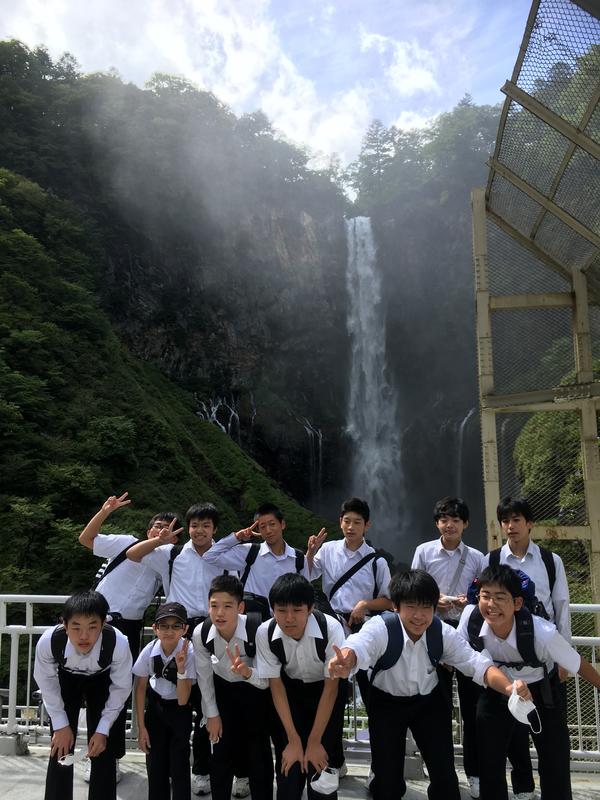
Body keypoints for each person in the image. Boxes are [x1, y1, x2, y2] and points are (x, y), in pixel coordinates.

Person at [328, 569, 530, 800]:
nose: (419, 615)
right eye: (411, 606)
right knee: (387, 784)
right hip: (386, 705)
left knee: (445, 780)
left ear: (435, 608)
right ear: (396, 606)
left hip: (428, 704)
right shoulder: (381, 628)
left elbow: (477, 664)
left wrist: (509, 688)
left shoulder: (441, 632)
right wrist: (347, 658)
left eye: (426, 607)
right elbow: (359, 644)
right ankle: (380, 779)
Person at [457, 563, 600, 800]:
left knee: (554, 757)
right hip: (497, 689)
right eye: (485, 596)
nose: (491, 605)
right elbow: (458, 652)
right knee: (489, 757)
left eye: (500, 597)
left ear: (517, 603)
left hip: (541, 690)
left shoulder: (541, 632)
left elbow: (578, 664)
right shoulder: (470, 620)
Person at [79, 493, 182, 782]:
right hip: (99, 622)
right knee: (95, 689)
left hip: (130, 628)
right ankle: (95, 756)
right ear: (148, 529)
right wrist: (104, 511)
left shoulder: (169, 561)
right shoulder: (126, 542)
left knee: (120, 691)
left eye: (168, 528)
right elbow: (86, 540)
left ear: (176, 537)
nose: (161, 531)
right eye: (157, 526)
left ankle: (111, 757)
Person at [126, 502, 226, 796]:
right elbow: (133, 554)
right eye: (194, 525)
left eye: (206, 525)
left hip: (209, 630)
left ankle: (202, 770)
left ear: (215, 529)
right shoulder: (172, 553)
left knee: (208, 700)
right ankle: (170, 768)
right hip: (177, 630)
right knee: (177, 700)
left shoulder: (224, 555)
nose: (199, 530)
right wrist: (159, 540)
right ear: (188, 528)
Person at [482, 496, 572, 800]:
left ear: (530, 523)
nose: (510, 526)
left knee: (554, 750)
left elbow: (561, 609)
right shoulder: (492, 560)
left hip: (544, 671)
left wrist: (565, 658)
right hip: (502, 672)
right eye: (505, 520)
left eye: (517, 520)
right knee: (495, 750)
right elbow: (480, 608)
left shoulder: (550, 561)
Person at [411, 496, 484, 798]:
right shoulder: (424, 552)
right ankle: (439, 768)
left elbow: (484, 595)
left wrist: (471, 602)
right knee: (435, 707)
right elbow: (413, 589)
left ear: (465, 523)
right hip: (433, 632)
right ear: (437, 523)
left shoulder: (477, 557)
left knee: (472, 708)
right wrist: (434, 601)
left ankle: (475, 772)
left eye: (455, 519)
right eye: (444, 519)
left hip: (467, 636)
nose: (449, 524)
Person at [33, 590, 132, 800]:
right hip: (66, 679)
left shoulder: (118, 643)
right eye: (76, 627)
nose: (84, 636)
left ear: (103, 623)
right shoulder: (49, 641)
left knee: (103, 746)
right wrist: (60, 725)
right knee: (60, 745)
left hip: (103, 680)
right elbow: (46, 681)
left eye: (92, 627)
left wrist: (103, 730)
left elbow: (121, 688)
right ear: (64, 624)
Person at [255, 573, 347, 800]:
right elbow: (276, 686)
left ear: (310, 608)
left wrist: (315, 742)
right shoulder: (265, 633)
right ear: (272, 610)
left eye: (297, 610)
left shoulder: (330, 628)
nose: (289, 618)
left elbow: (331, 688)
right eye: (281, 610)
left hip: (326, 693)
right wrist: (293, 739)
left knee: (320, 764)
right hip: (289, 695)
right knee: (290, 766)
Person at [306, 496, 392, 714]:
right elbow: (307, 575)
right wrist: (311, 552)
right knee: (331, 681)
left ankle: (373, 723)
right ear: (340, 522)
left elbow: (390, 600)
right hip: (331, 625)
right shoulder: (327, 550)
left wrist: (365, 604)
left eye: (357, 522)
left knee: (367, 682)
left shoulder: (377, 561)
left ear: (367, 525)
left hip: (361, 627)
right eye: (347, 521)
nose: (351, 527)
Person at [193, 575, 273, 800]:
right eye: (214, 606)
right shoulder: (201, 633)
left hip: (254, 693)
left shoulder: (258, 630)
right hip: (222, 692)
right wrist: (211, 715)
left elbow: (267, 681)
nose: (219, 613)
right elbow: (204, 678)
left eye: (227, 606)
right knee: (220, 755)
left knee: (258, 756)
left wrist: (247, 672)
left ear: (240, 607)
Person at [201, 503, 315, 616]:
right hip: (253, 619)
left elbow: (306, 594)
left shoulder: (299, 558)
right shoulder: (249, 552)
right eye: (263, 527)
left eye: (272, 524)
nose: (268, 530)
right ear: (258, 530)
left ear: (282, 524)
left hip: (287, 620)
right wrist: (237, 537)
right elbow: (209, 556)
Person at [133, 601, 195, 800]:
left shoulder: (190, 652)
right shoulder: (150, 650)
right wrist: (141, 728)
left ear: (185, 629)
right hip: (156, 709)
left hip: (179, 710)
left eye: (176, 626)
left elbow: (183, 700)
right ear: (155, 628)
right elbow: (140, 687)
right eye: (164, 626)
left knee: (179, 764)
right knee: (155, 764)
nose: (169, 631)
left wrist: (181, 669)